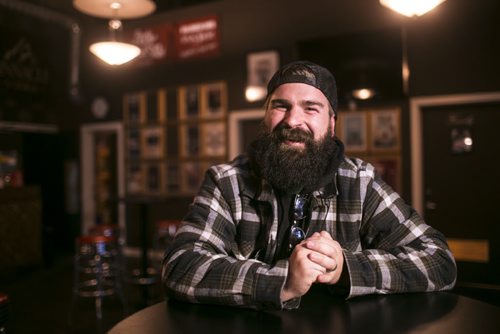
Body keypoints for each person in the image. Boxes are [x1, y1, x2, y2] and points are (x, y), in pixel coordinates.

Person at [162, 61, 456, 310]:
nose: (293, 120)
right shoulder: (226, 181)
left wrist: (346, 268)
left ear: (331, 124)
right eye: (281, 106)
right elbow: (181, 265)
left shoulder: (360, 182)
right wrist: (281, 282)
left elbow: (439, 261)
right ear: (266, 116)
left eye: (310, 108)